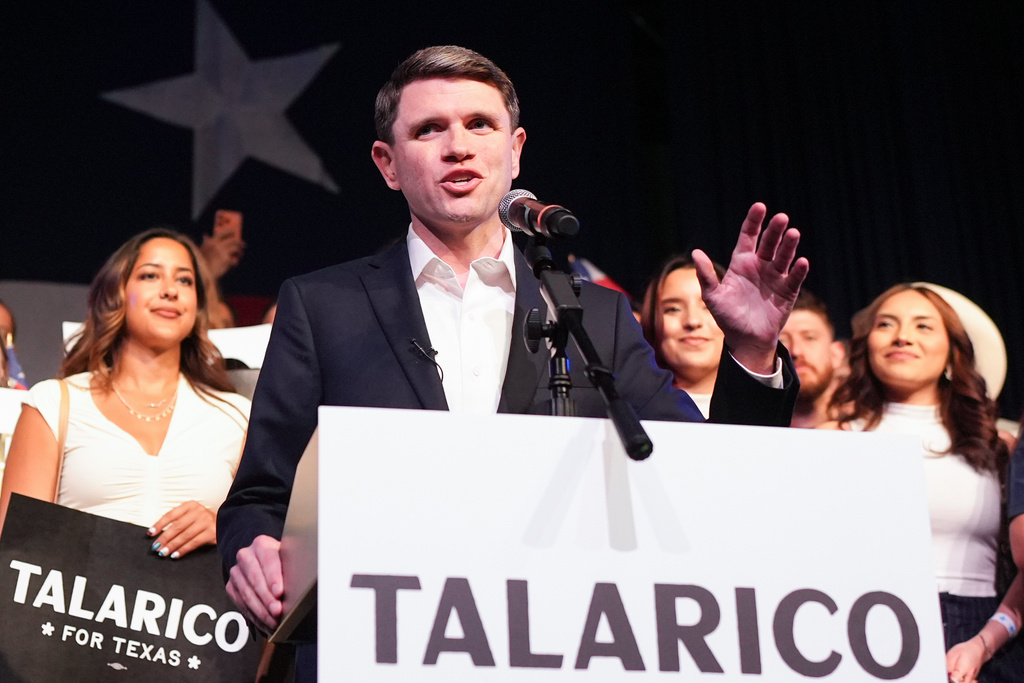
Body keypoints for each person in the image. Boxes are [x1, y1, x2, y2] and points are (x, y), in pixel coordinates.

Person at [217, 45, 808, 680]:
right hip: (375, 644)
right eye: (429, 129)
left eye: (480, 124)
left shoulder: (595, 317)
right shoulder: (322, 306)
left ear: (516, 148)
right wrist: (252, 548)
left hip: (554, 643)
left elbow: (706, 477)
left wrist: (751, 352)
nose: (458, 147)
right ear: (387, 164)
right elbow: (261, 494)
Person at [0, 228, 250, 561]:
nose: (170, 290)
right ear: (116, 294)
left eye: (184, 280)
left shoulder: (237, 417)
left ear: (197, 305)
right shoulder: (54, 403)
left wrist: (227, 529)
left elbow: (267, 547)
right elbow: (15, 552)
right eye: (150, 275)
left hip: (200, 595)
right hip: (75, 593)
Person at [820, 284, 1017, 682]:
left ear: (953, 352)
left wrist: (986, 642)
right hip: (864, 627)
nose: (902, 336)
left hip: (979, 636)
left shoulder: (999, 446)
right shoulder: (833, 438)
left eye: (923, 326)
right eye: (886, 324)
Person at [640, 255, 727, 418]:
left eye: (709, 307)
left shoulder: (762, 408)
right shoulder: (632, 410)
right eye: (673, 309)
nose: (692, 321)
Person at [779, 288, 846, 428]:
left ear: (836, 354)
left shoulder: (868, 431)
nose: (795, 351)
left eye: (809, 338)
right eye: (782, 341)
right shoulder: (746, 431)